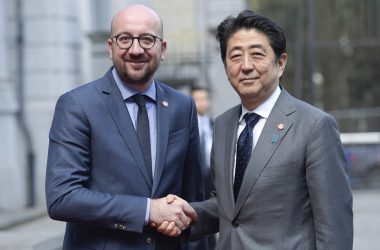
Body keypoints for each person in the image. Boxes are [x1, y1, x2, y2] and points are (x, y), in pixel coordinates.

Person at [157, 10, 353, 249]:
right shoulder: (223, 125)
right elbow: (229, 206)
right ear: (226, 66)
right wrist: (183, 214)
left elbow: (334, 230)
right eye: (235, 56)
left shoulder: (314, 126)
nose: (246, 66)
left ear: (280, 64)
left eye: (257, 55)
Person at [45, 4, 206, 250]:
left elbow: (193, 201)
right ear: (110, 48)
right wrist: (147, 210)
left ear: (162, 49)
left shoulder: (182, 107)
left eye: (147, 39)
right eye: (124, 39)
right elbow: (62, 198)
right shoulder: (78, 105)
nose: (136, 49)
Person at [191, 87, 216, 250]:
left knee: (213, 214)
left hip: (211, 178)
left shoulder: (215, 124)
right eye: (197, 99)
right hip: (194, 178)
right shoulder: (188, 126)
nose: (201, 102)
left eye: (204, 98)